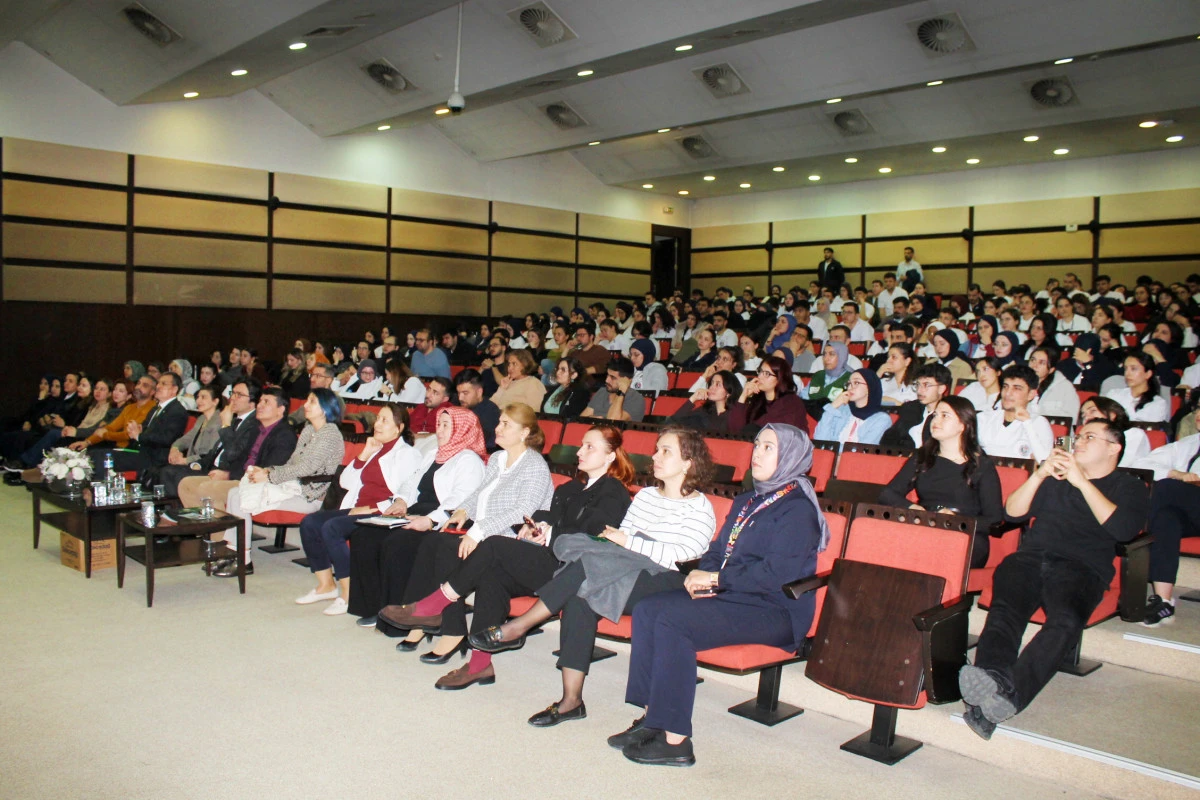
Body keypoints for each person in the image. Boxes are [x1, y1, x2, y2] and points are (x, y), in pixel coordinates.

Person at [613, 424, 828, 765]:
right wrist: (703, 572)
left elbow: (775, 575)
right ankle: (652, 718)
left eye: (769, 448)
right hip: (732, 594)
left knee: (672, 621)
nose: (757, 452)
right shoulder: (748, 499)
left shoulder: (798, 510)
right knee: (649, 609)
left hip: (774, 609)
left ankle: (675, 741)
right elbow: (718, 549)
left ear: (790, 456)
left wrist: (717, 578)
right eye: (757, 444)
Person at [469, 428, 716, 714]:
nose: (654, 456)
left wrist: (631, 543)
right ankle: (571, 701)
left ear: (687, 462)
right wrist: (625, 542)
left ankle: (520, 625)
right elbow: (618, 538)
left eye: (665, 451)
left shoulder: (699, 507)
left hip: (665, 578)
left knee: (587, 569)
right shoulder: (647, 496)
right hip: (623, 565)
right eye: (656, 449)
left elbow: (682, 558)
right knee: (579, 596)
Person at [383, 426, 635, 690]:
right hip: (548, 557)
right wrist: (534, 525)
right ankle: (479, 664)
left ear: (610, 456)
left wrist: (551, 533)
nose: (580, 451)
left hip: (572, 570)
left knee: (493, 546)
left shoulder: (613, 492)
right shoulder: (573, 487)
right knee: (492, 576)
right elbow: (549, 515)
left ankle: (435, 605)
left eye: (590, 447)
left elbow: (595, 535)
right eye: (581, 445)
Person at [959, 419, 1149, 740]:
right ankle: (996, 682)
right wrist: (1040, 473)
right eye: (1080, 436)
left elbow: (1123, 530)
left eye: (1091, 436)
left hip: (1082, 568)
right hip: (1031, 558)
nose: (1080, 441)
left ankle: (1005, 695)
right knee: (1006, 611)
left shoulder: (1128, 487)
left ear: (1114, 448)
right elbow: (1013, 512)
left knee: (1065, 622)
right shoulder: (1055, 479)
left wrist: (1082, 481)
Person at [379, 404, 554, 673]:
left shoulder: (534, 465)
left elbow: (523, 511)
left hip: (510, 541)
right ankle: (438, 622)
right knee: (435, 542)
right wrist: (462, 510)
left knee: (449, 548)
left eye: (506, 424)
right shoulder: (497, 459)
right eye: (499, 422)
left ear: (525, 432)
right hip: (485, 532)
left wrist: (477, 530)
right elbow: (479, 494)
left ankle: (440, 621)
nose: (497, 428)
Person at [346, 406, 487, 623]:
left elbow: (461, 501)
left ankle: (394, 612)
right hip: (413, 510)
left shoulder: (469, 460)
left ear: (462, 430)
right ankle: (371, 606)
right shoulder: (433, 453)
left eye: (446, 426)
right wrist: (401, 500)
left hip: (440, 519)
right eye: (439, 424)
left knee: (396, 543)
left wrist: (430, 520)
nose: (439, 430)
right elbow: (411, 482)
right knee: (364, 536)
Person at [295, 403, 422, 616]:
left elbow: (406, 494)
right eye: (378, 418)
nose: (377, 424)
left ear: (398, 428)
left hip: (382, 513)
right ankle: (326, 585)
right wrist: (364, 453)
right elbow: (345, 482)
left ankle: (348, 593)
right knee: (310, 522)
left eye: (384, 420)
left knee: (332, 528)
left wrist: (371, 508)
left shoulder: (408, 455)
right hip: (358, 508)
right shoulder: (374, 448)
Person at [215, 389, 344, 577]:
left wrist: (270, 476)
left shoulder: (330, 434)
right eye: (307, 400)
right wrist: (267, 471)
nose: (305, 405)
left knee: (242, 496)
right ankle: (236, 552)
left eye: (312, 402)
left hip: (309, 494)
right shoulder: (309, 430)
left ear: (325, 408)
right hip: (292, 486)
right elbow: (292, 462)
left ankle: (243, 560)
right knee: (236, 492)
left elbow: (306, 469)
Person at [880, 396, 1003, 567]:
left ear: (963, 425)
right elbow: (888, 493)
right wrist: (913, 509)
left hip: (965, 533)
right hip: (926, 524)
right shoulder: (922, 457)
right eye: (935, 415)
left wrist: (956, 520)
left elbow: (994, 518)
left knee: (925, 550)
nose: (936, 420)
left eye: (945, 415)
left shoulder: (981, 465)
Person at [177, 384, 297, 523]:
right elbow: (241, 459)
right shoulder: (257, 430)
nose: (260, 406)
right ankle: (201, 529)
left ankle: (218, 535)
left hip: (257, 483)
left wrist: (229, 475)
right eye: (260, 401)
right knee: (186, 484)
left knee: (208, 488)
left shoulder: (284, 435)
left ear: (280, 409)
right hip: (241, 477)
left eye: (266, 402)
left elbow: (267, 470)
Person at [1133, 412, 1200, 625]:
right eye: (1198, 409)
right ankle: (1164, 601)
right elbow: (1143, 464)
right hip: (1192, 513)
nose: (1198, 415)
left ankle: (1134, 545)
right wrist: (1177, 474)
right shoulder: (1187, 444)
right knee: (1165, 518)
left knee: (1166, 488)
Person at [977, 365, 1054, 462]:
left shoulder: (1038, 423)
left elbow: (1044, 461)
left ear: (1031, 394)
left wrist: (1027, 423)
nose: (1008, 393)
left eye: (1017, 388)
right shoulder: (983, 418)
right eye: (1005, 387)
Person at [730, 356, 808, 435]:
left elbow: (771, 428)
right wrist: (743, 396)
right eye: (760, 371)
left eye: (767, 374)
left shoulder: (792, 402)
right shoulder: (757, 399)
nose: (760, 376)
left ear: (779, 378)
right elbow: (734, 431)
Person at [881, 364, 953, 448]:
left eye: (926, 385)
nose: (919, 390)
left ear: (941, 389)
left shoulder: (949, 415)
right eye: (918, 384)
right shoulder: (910, 408)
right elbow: (890, 438)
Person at [813, 369, 891, 445]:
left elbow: (862, 451)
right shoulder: (842, 410)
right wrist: (832, 407)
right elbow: (820, 441)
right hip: (831, 456)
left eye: (856, 382)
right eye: (849, 383)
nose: (850, 387)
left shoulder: (881, 419)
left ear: (870, 386)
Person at [1078, 396, 1150, 466]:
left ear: (1112, 414)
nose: (1087, 417)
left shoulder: (1134, 434)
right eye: (1083, 415)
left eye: (1093, 411)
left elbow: (1122, 464)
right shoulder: (1084, 439)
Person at [1104, 351, 1169, 422]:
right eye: (1125, 369)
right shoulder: (1114, 394)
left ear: (1148, 374)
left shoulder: (1157, 403)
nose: (1127, 373)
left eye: (1133, 369)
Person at [670, 370, 740, 433]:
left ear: (729, 392)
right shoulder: (705, 410)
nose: (712, 387)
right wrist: (693, 399)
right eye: (711, 383)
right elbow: (674, 423)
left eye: (718, 384)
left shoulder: (735, 415)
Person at [581, 358, 645, 423]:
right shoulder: (602, 392)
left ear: (626, 380)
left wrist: (622, 390)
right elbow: (581, 419)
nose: (607, 380)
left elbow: (613, 421)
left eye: (613, 377)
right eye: (607, 375)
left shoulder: (635, 398)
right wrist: (596, 420)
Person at [1027, 346, 1080, 421]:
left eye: (1042, 363)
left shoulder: (1065, 387)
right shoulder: (1020, 384)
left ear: (1051, 369)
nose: (1034, 365)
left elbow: (1071, 417)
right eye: (1032, 360)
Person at [454, 369, 500, 452]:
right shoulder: (460, 407)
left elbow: (480, 444)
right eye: (458, 393)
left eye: (465, 393)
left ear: (479, 392)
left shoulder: (491, 412)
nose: (460, 398)